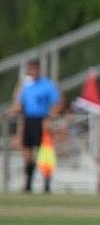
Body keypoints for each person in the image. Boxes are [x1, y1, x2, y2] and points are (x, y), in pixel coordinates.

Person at [8, 60, 63, 193]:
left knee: (43, 153)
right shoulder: (26, 86)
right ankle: (28, 183)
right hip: (28, 120)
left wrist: (50, 117)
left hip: (41, 120)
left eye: (35, 69)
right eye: (31, 69)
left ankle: (46, 184)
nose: (33, 72)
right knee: (27, 151)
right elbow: (19, 104)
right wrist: (8, 113)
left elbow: (58, 102)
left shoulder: (47, 85)